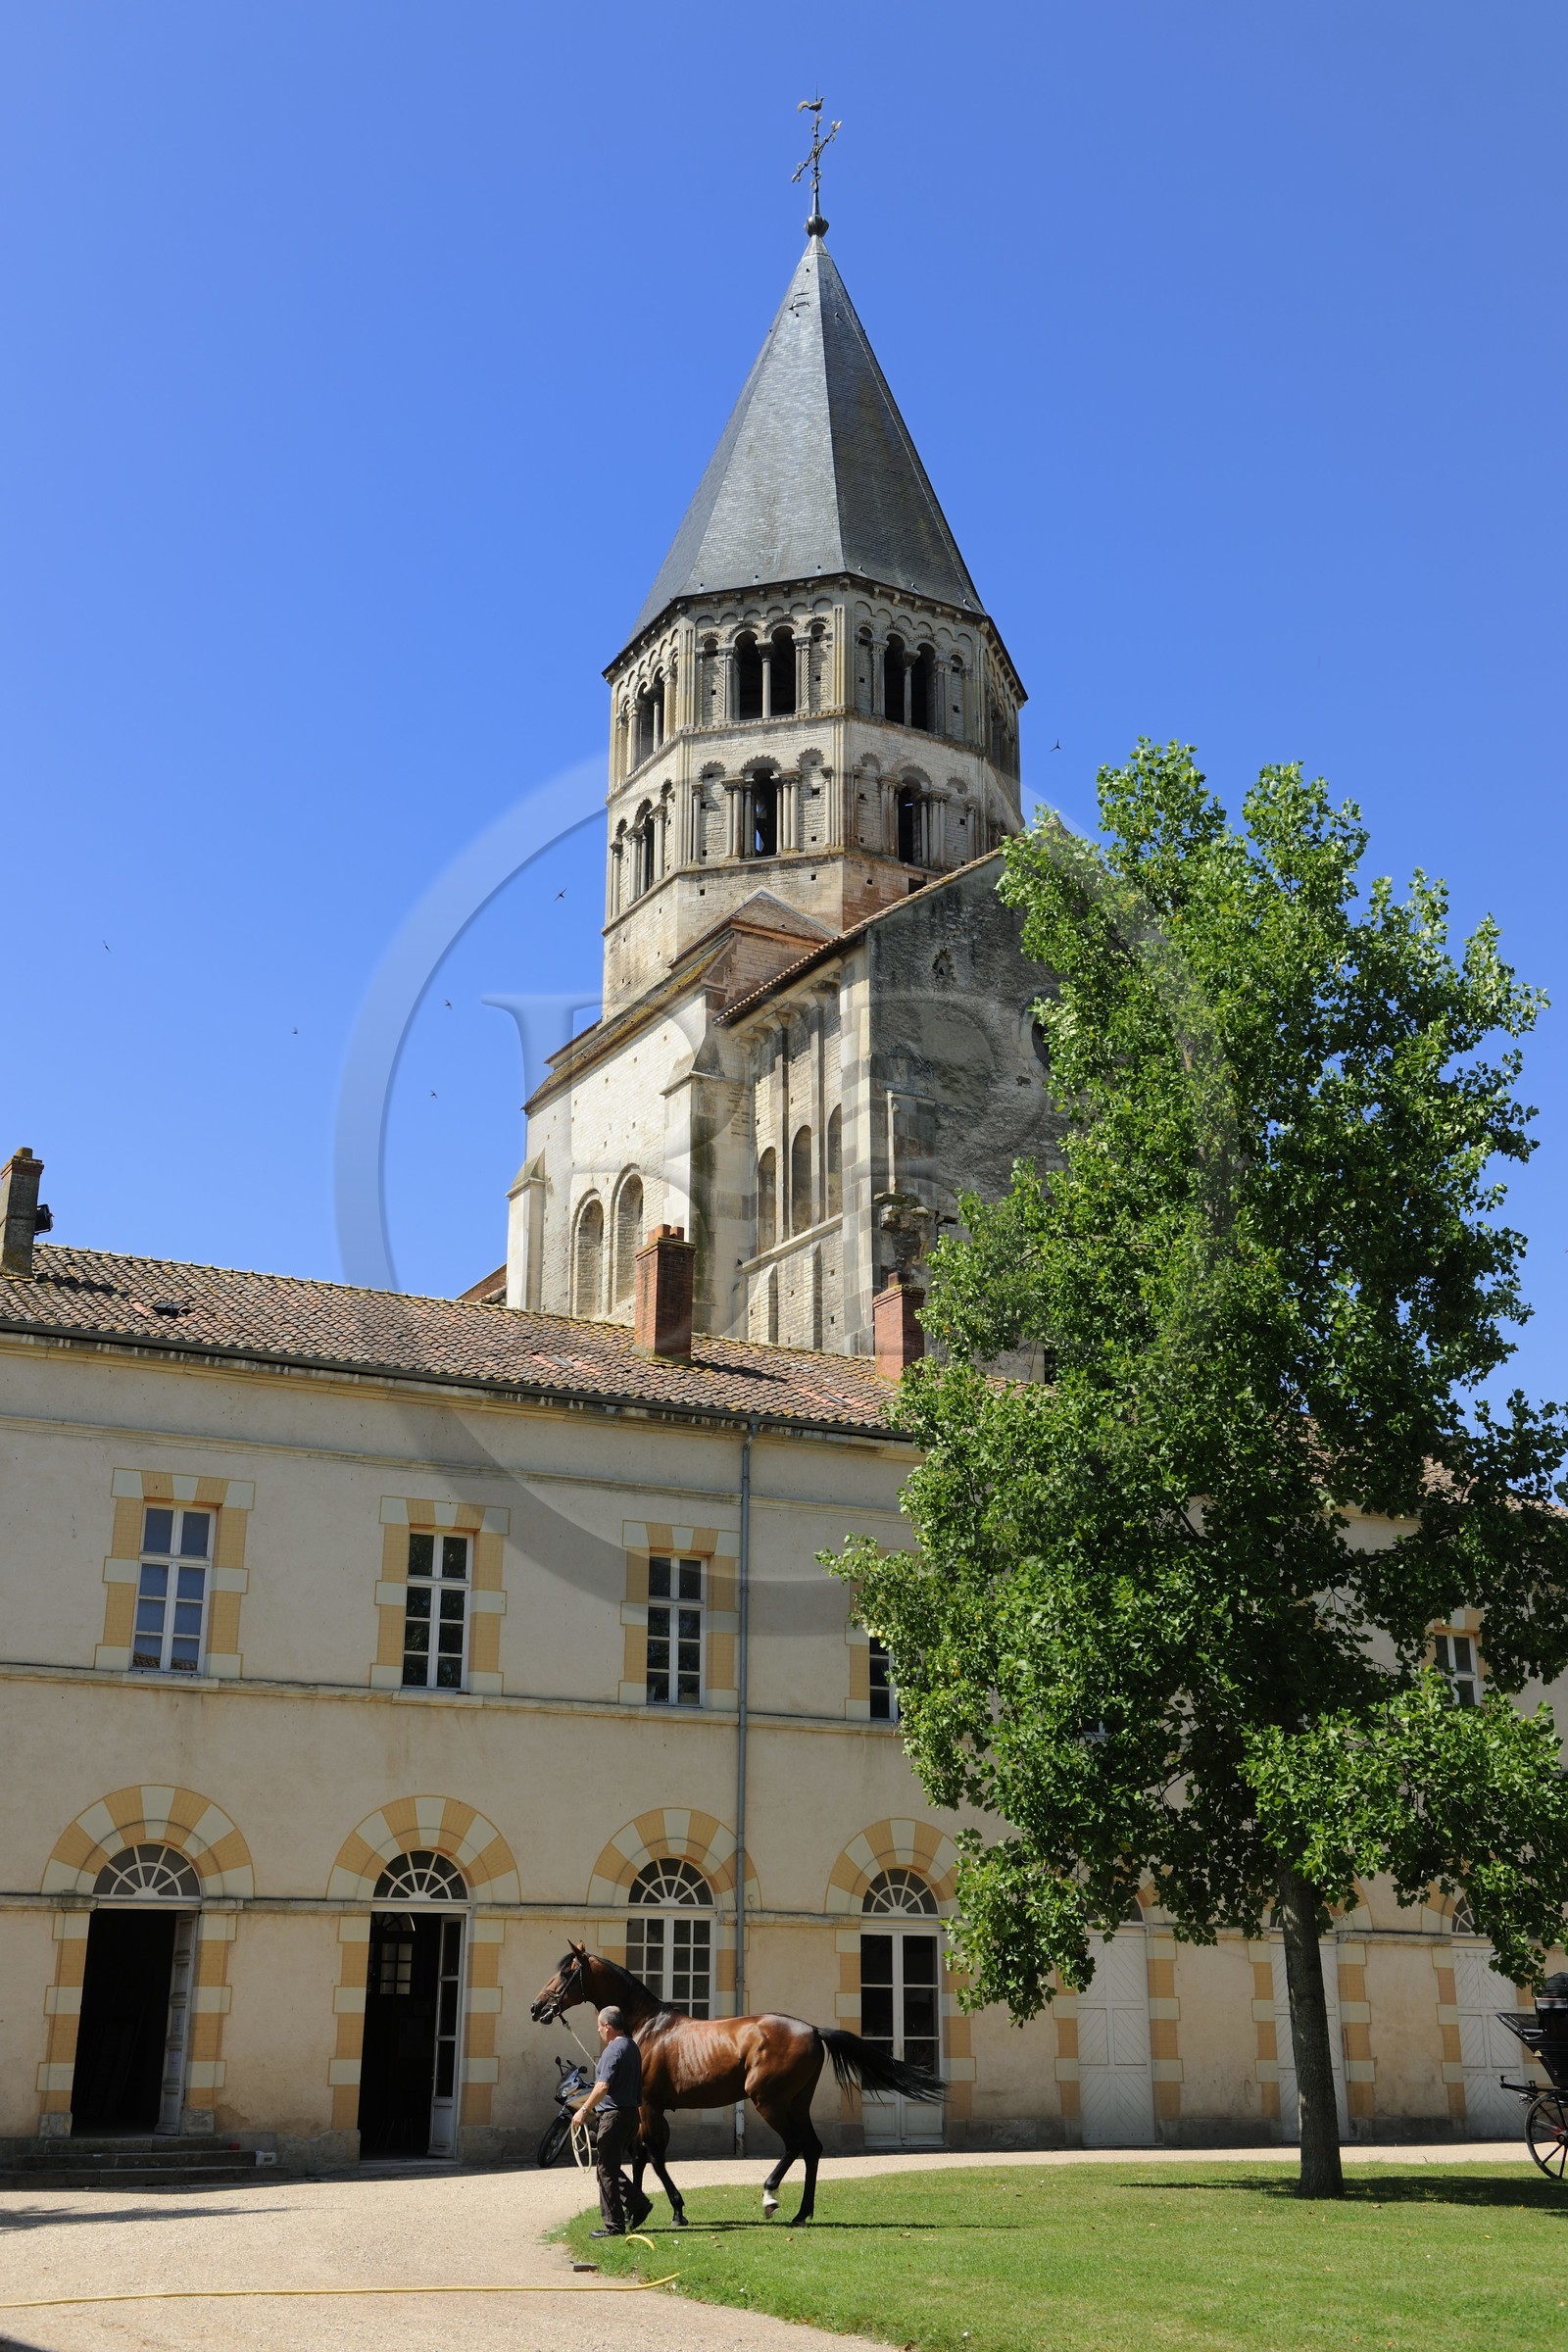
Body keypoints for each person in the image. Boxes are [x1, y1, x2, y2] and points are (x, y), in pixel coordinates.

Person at [574, 2003, 652, 2237]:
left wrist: (584, 2109)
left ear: (607, 2026)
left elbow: (603, 2086)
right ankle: (638, 2205)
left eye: (599, 2026)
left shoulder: (612, 2050)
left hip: (614, 2116)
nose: (598, 2030)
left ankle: (615, 2225)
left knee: (606, 2170)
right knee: (608, 2169)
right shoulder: (632, 2047)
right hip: (630, 2115)